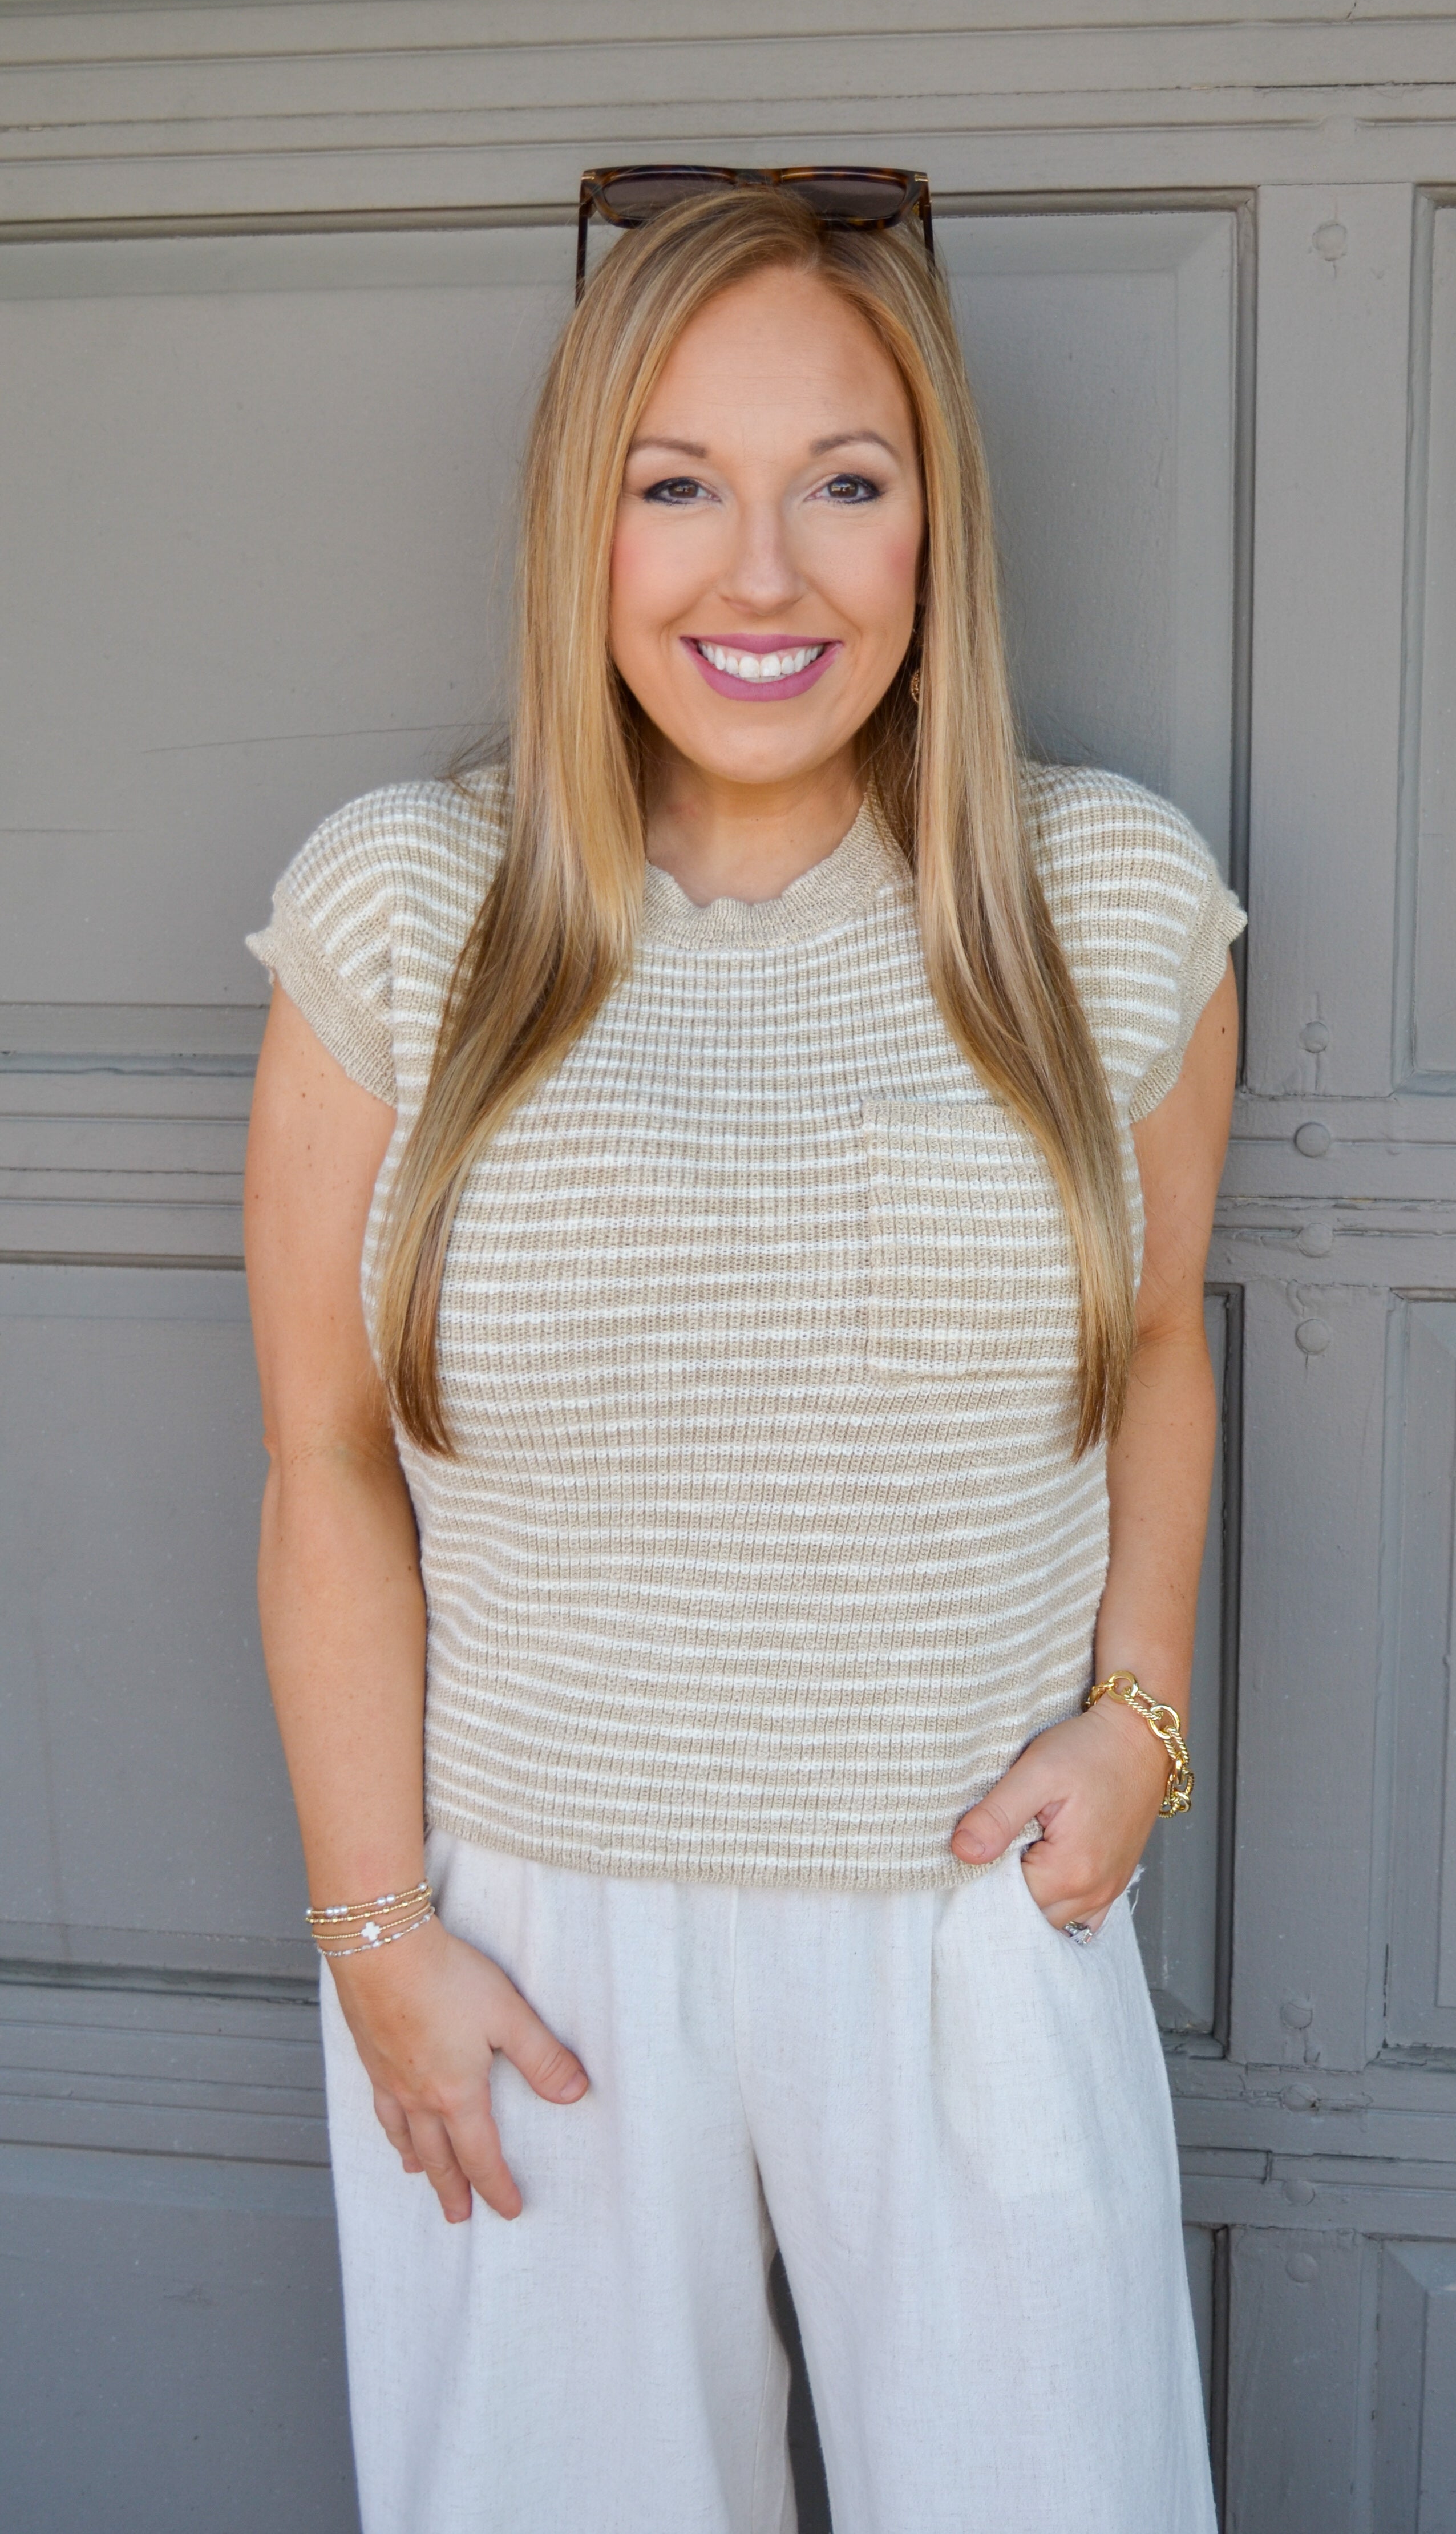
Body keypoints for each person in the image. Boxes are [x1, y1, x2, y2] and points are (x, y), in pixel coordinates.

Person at [243, 176, 1241, 2534]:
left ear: (935, 524)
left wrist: (1139, 1718)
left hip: (971, 1915)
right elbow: (323, 1459)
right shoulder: (402, 906)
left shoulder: (1107, 902)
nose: (763, 575)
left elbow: (1156, 1342)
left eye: (844, 483)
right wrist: (375, 1932)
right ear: (578, 529)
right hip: (529, 1942)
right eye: (677, 484)